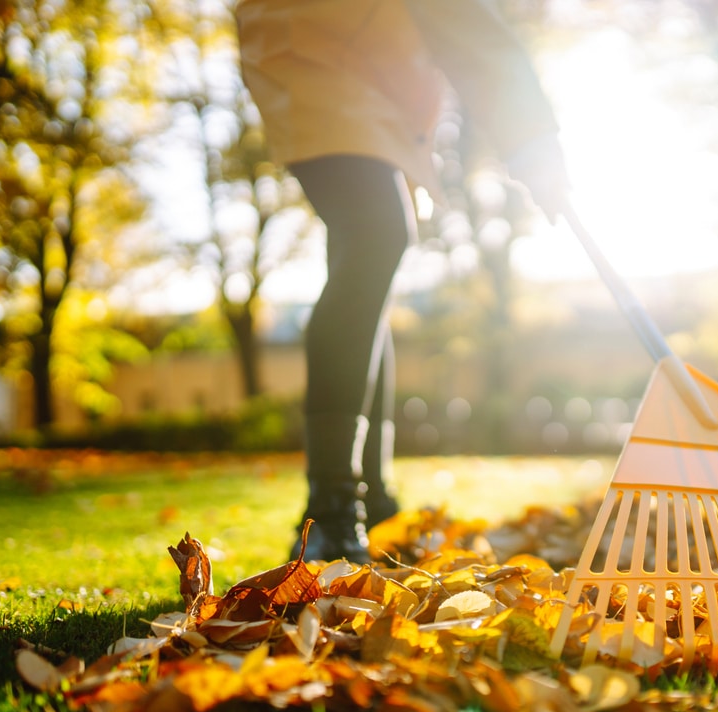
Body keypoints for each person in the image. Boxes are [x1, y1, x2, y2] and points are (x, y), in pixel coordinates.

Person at [235, 0, 570, 562]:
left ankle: (374, 501)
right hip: (311, 43)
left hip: (368, 69)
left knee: (370, 260)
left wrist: (533, 142)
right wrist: (533, 139)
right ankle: (333, 510)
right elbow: (471, 29)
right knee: (377, 236)